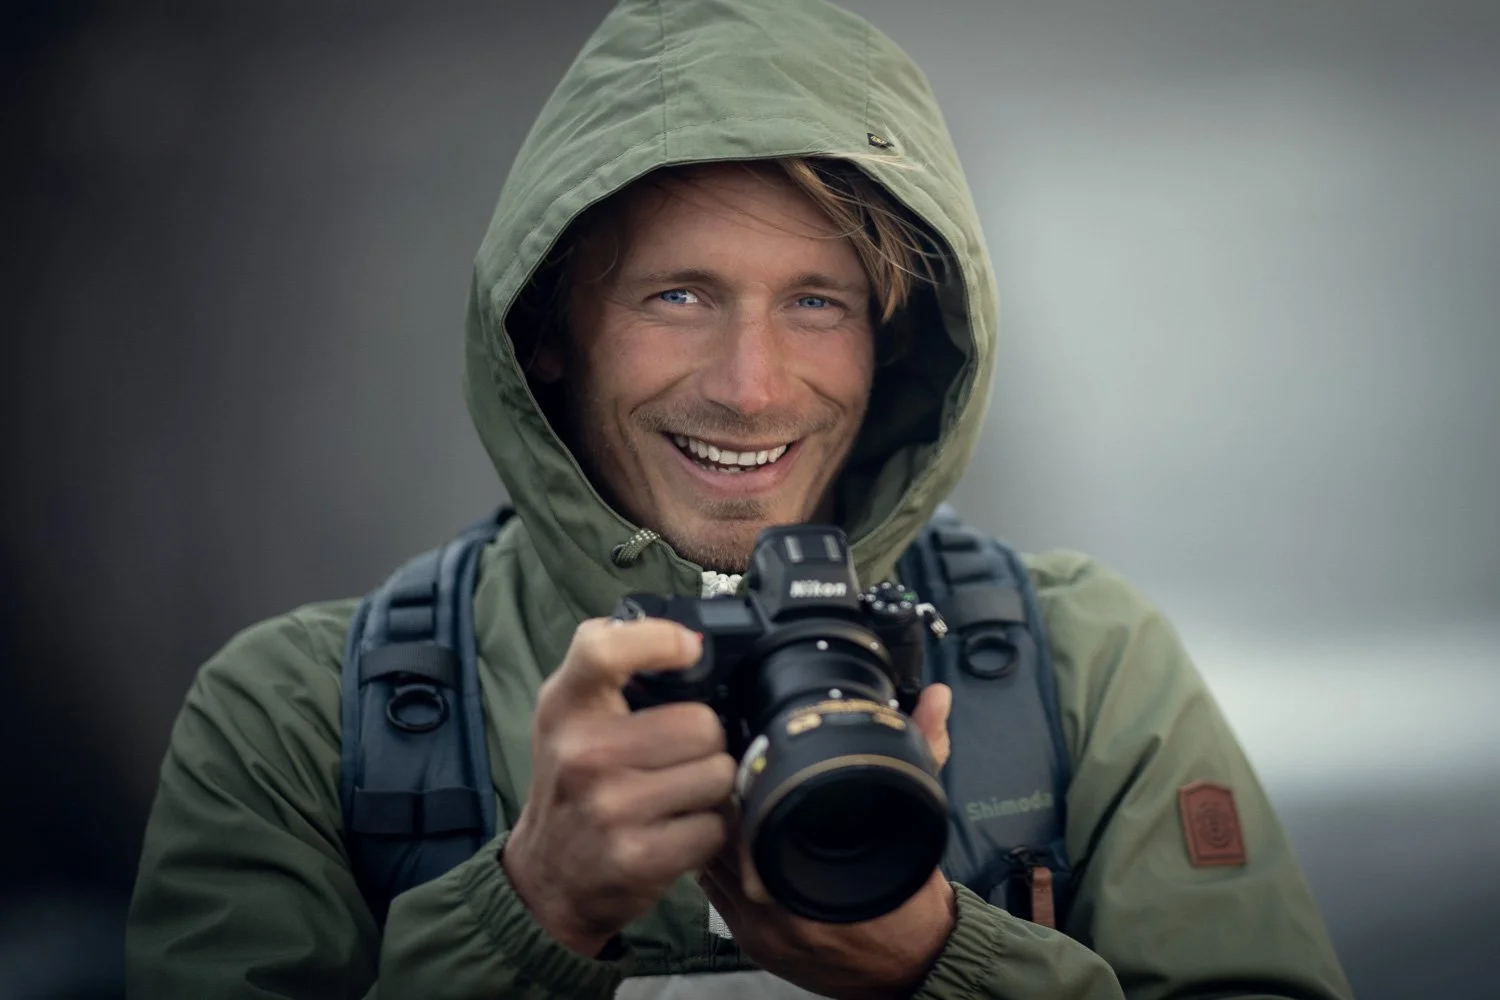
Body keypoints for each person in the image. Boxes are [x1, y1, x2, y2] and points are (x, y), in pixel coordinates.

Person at [125, 0, 1354, 997]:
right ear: (551, 331)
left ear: (894, 344)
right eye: (678, 296)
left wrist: (944, 963)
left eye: (816, 301)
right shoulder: (295, 722)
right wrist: (527, 912)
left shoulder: (1086, 667)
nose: (752, 388)